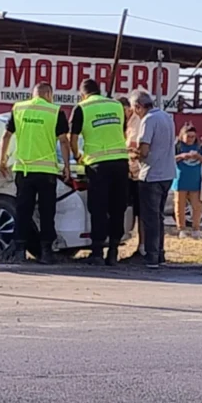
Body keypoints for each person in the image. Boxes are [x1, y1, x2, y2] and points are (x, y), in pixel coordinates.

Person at [0, 82, 71, 264]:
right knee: (47, 213)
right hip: (46, 172)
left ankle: (20, 251)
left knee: (23, 211)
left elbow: (6, 136)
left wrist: (2, 161)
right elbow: (63, 141)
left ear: (34, 94)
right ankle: (46, 252)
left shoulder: (19, 109)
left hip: (23, 170)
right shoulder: (55, 111)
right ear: (49, 94)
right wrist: (67, 166)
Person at [69, 79, 129, 266]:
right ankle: (113, 251)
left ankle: (97, 252)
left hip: (97, 165)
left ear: (83, 94)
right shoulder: (117, 105)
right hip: (120, 162)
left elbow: (73, 138)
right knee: (117, 208)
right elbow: (122, 130)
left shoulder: (81, 107)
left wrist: (78, 156)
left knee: (99, 208)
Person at [129, 89, 176, 269]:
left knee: (149, 218)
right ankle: (160, 253)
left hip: (151, 174)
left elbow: (145, 149)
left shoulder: (148, 120)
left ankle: (151, 255)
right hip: (167, 173)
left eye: (134, 109)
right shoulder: (166, 117)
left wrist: (134, 155)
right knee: (159, 217)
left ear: (138, 106)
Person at [172, 123, 202, 239]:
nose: (190, 139)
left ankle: (196, 229)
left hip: (196, 181)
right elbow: (170, 158)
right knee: (179, 205)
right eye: (188, 136)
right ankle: (181, 229)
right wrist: (182, 156)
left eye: (193, 137)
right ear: (182, 135)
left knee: (197, 206)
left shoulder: (198, 147)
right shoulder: (177, 146)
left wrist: (198, 156)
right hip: (180, 180)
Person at [119, 96, 146, 259]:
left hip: (139, 173)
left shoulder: (137, 123)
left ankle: (142, 247)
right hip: (127, 172)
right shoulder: (124, 124)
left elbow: (136, 148)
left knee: (141, 211)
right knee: (128, 211)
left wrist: (127, 151)